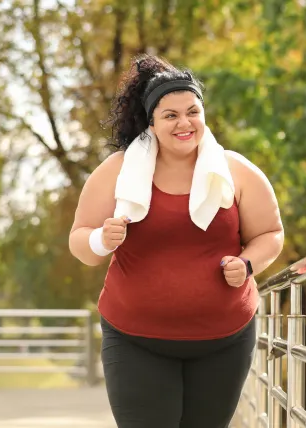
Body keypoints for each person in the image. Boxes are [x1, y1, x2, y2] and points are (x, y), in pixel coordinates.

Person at [68, 54, 284, 428]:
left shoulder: (237, 171)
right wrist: (103, 239)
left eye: (193, 112)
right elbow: (79, 241)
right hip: (135, 341)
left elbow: (270, 234)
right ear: (151, 122)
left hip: (224, 342)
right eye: (170, 115)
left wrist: (247, 264)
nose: (184, 123)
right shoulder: (117, 171)